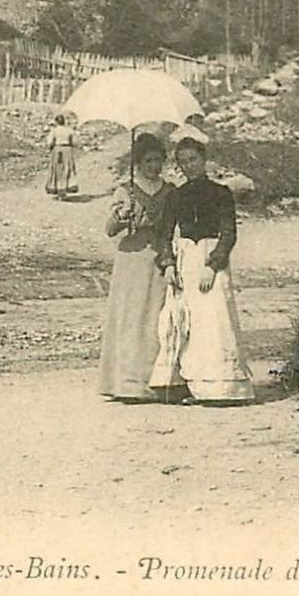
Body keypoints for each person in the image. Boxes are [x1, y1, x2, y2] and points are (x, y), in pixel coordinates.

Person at [151, 136, 255, 403]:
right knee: (187, 319)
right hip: (186, 259)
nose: (189, 166)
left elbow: (229, 234)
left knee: (215, 317)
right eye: (183, 162)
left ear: (204, 160)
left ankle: (223, 388)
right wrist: (169, 264)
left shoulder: (221, 193)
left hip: (210, 260)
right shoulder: (175, 195)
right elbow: (163, 234)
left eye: (193, 160)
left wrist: (213, 265)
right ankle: (190, 385)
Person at [97, 133, 174, 402]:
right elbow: (110, 230)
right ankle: (126, 382)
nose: (154, 166)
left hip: (157, 257)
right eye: (148, 161)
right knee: (130, 318)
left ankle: (154, 381)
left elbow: (173, 226)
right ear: (138, 163)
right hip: (130, 259)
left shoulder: (170, 190)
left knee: (154, 317)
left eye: (158, 160)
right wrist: (122, 215)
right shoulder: (125, 190)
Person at [44, 114, 79, 199]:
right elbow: (75, 143)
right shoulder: (70, 131)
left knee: (57, 170)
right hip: (67, 150)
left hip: (57, 150)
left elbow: (50, 142)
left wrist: (50, 148)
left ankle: (58, 190)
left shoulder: (54, 131)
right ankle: (65, 190)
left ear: (56, 122)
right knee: (67, 169)